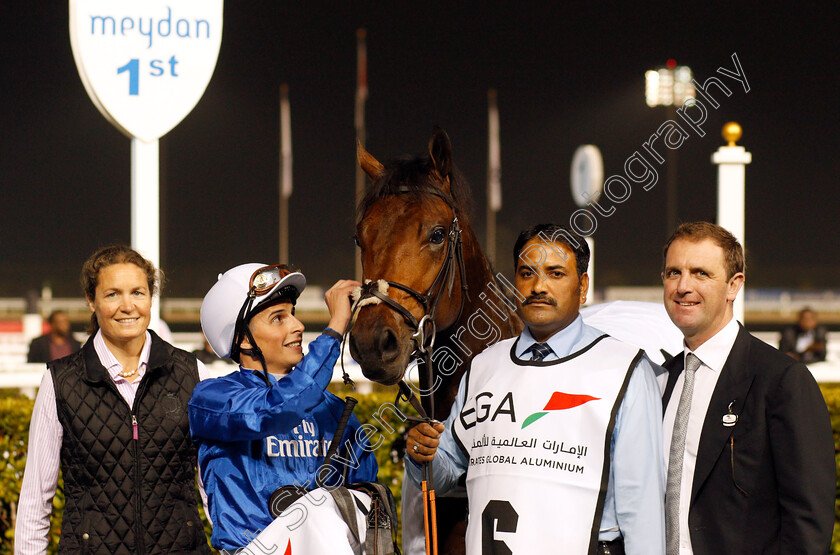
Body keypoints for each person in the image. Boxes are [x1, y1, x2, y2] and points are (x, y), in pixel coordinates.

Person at [407, 224, 665, 554]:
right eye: (526, 273)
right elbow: (444, 474)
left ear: (582, 287)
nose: (538, 286)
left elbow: (642, 512)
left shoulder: (626, 369)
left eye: (555, 273)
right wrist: (421, 455)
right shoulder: (485, 366)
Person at [16, 245, 211, 554]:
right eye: (112, 294)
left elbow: (213, 488)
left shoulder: (193, 373)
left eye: (138, 292)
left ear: (150, 298)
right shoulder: (60, 382)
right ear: (91, 301)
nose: (127, 306)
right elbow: (35, 502)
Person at [660, 222, 835, 554]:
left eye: (700, 273)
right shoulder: (660, 379)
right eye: (673, 272)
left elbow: (808, 520)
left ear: (733, 285)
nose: (683, 286)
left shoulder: (782, 380)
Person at [188, 264, 378, 553]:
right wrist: (335, 327)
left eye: (293, 313)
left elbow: (366, 499)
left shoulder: (335, 410)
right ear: (242, 339)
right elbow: (276, 410)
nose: (297, 326)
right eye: (278, 318)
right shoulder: (212, 399)